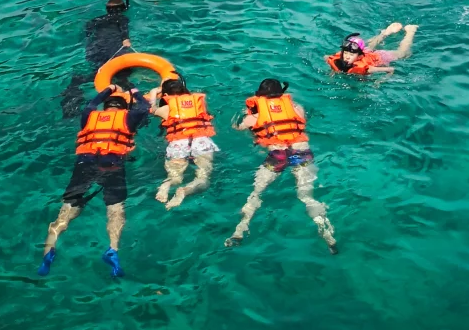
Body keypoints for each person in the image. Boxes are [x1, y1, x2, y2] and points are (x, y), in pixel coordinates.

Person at [38, 75, 152, 278]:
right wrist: (133, 89)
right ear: (123, 108)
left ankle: (50, 248)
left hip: (85, 163)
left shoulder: (89, 115)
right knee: (115, 209)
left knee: (68, 208)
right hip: (112, 165)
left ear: (105, 107)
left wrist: (110, 87)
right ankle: (113, 249)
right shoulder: (127, 117)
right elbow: (144, 107)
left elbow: (92, 102)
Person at [226, 78, 336, 252]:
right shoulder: (298, 109)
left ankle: (240, 231)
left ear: (259, 96)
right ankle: (328, 236)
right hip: (301, 153)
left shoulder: (252, 118)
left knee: (256, 193)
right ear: (282, 94)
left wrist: (244, 115)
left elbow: (236, 127)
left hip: (277, 156)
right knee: (307, 197)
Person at [150, 76, 217, 209]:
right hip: (201, 142)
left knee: (175, 177)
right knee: (203, 178)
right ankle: (186, 190)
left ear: (166, 95)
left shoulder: (166, 109)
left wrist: (153, 94)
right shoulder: (200, 104)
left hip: (178, 144)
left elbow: (151, 109)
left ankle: (166, 186)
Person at [326, 24, 418, 75]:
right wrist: (332, 71)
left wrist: (379, 81)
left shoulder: (368, 69)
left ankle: (410, 31)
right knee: (369, 47)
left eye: (351, 55)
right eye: (345, 53)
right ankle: (385, 33)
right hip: (364, 52)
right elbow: (326, 57)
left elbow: (391, 69)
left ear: (359, 57)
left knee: (402, 53)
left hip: (379, 57)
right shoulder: (338, 59)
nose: (347, 57)